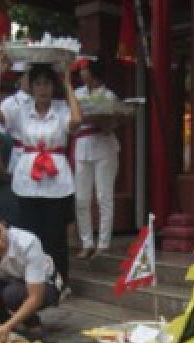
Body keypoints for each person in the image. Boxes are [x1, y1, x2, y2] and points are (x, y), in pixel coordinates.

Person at [0, 58, 82, 287]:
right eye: (38, 83)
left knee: (55, 235)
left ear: (53, 87)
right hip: (28, 178)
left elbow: (77, 121)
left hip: (56, 178)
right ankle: (33, 280)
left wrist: (68, 84)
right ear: (31, 86)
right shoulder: (21, 110)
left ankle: (59, 282)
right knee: (30, 234)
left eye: (47, 84)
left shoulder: (62, 109)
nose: (43, 89)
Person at [0, 212, 62, 342]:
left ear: (3, 225)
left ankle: (32, 326)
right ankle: (10, 328)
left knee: (12, 294)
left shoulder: (27, 242)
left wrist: (8, 326)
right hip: (9, 281)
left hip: (46, 286)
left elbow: (35, 297)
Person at [73, 59, 121, 259]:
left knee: (104, 197)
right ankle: (86, 242)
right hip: (82, 146)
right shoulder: (77, 94)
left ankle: (104, 243)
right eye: (82, 69)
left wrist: (100, 118)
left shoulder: (108, 95)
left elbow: (112, 123)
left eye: (85, 69)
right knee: (81, 198)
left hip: (104, 146)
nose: (82, 72)